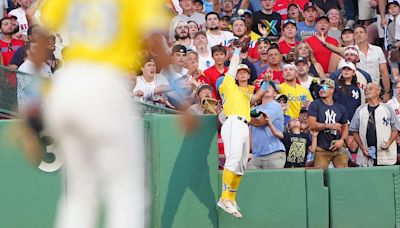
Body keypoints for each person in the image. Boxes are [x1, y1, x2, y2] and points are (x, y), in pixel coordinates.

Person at [40, 0, 168, 227]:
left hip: (67, 84)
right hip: (105, 83)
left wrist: (33, 98)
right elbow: (157, 40)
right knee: (126, 192)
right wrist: (185, 102)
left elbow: (42, 35)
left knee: (80, 194)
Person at [216, 45, 270, 218]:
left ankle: (231, 198)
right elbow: (232, 68)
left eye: (245, 71)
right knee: (232, 160)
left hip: (244, 125)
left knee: (241, 165)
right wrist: (237, 52)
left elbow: (255, 97)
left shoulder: (243, 92)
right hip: (233, 122)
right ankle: (224, 198)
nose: (242, 73)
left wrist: (267, 82)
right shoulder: (227, 85)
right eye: (240, 72)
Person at [350, 83, 400, 166]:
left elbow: (395, 128)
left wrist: (389, 142)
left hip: (384, 152)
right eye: (366, 89)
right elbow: (355, 131)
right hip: (366, 152)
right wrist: (362, 148)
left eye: (370, 88)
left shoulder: (387, 108)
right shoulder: (360, 109)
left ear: (378, 91)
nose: (367, 90)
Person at [308, 78, 349, 169]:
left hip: (338, 148)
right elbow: (311, 125)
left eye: (325, 87)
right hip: (321, 148)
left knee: (343, 173)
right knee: (319, 175)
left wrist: (342, 140)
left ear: (332, 90)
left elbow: (345, 127)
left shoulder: (340, 108)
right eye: (320, 88)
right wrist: (329, 125)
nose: (322, 90)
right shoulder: (315, 104)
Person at [249, 84, 286, 169]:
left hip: (273, 153)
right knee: (249, 179)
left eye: (270, 87)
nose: (267, 88)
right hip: (257, 155)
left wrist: (243, 116)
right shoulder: (254, 108)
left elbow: (260, 122)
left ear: (275, 94)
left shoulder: (275, 105)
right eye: (264, 87)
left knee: (272, 182)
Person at [17, 41, 52, 112]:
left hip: (45, 109)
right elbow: (28, 89)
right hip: (29, 112)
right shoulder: (24, 68)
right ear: (28, 52)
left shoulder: (46, 66)